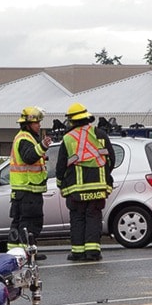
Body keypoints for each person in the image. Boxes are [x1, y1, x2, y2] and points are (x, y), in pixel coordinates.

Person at [55, 102, 114, 261]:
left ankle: (78, 252)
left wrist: (60, 183)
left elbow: (61, 165)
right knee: (94, 217)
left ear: (72, 121)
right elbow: (111, 160)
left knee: (77, 218)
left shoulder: (68, 139)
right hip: (98, 187)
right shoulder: (101, 135)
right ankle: (93, 252)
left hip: (77, 189)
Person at [8, 106, 52, 254]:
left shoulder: (24, 137)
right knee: (30, 223)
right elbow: (28, 157)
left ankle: (15, 253)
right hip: (28, 189)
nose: (39, 125)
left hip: (23, 190)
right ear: (28, 124)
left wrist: (40, 153)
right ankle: (27, 254)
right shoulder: (25, 139)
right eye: (36, 123)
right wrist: (42, 147)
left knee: (19, 223)